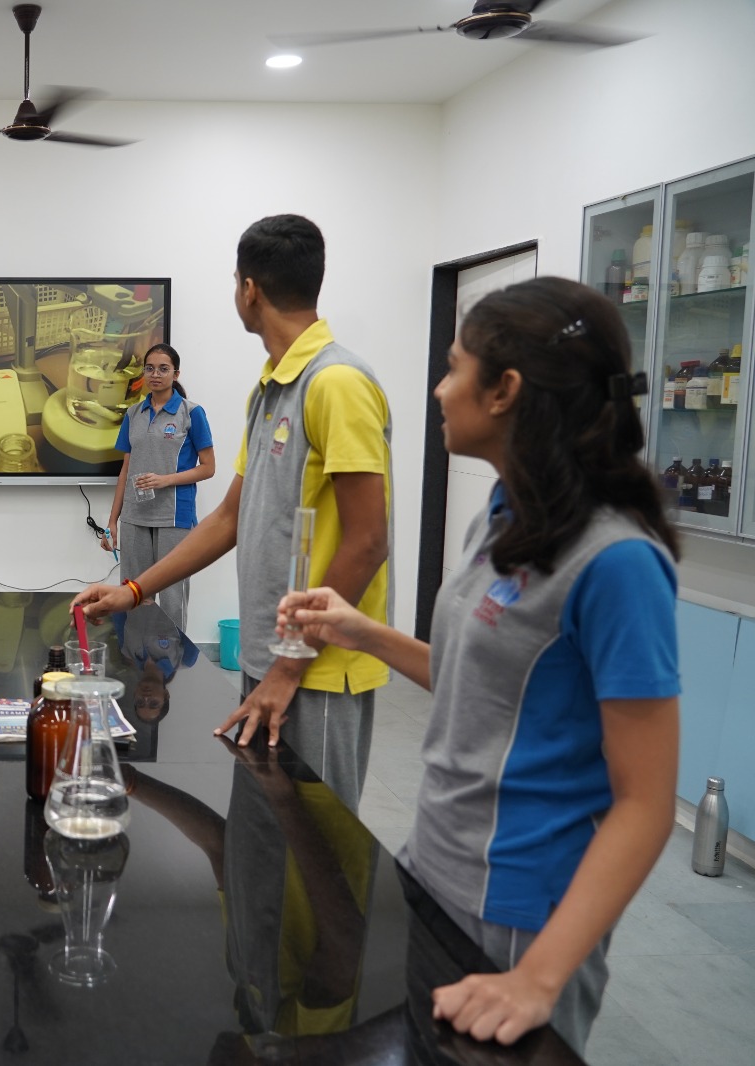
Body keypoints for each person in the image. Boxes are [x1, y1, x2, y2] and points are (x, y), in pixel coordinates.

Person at [277, 277, 679, 1053]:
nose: (438, 388)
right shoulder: (502, 519)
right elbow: (487, 687)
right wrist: (364, 632)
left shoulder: (618, 562)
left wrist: (539, 978)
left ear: (505, 391)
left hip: (521, 913)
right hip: (434, 872)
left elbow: (646, 802)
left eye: (453, 367)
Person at [76, 214, 392, 810]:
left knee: (319, 837)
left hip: (316, 668)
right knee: (266, 829)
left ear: (249, 289)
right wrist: (133, 591)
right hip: (265, 657)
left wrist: (290, 666)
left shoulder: (337, 383)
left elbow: (369, 539)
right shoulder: (269, 391)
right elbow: (228, 519)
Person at [99, 343, 216, 631]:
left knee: (173, 598)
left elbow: (208, 468)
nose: (155, 374)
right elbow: (125, 471)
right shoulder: (133, 414)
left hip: (174, 517)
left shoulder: (192, 413)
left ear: (176, 374)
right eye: (150, 368)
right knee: (135, 595)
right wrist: (112, 521)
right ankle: (136, 655)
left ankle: (175, 659)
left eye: (163, 369)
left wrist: (165, 480)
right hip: (134, 517)